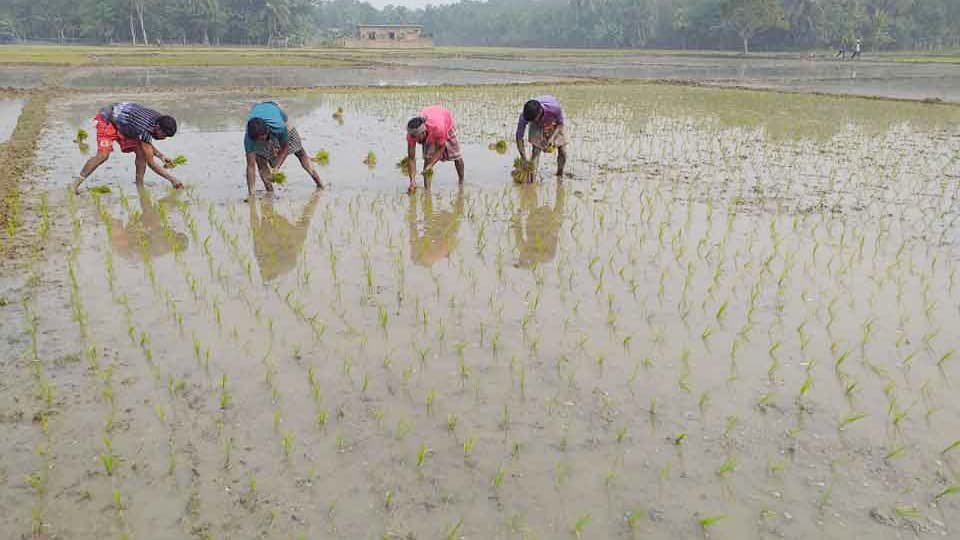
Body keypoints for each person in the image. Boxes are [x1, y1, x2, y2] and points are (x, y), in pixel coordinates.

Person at [73, 102, 183, 193]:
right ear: (158, 127)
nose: (163, 138)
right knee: (103, 155)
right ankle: (74, 185)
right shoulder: (144, 128)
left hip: (125, 124)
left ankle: (139, 185)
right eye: (163, 135)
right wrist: (172, 179)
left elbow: (146, 145)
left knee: (141, 152)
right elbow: (151, 162)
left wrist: (162, 156)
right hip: (107, 119)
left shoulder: (158, 120)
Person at [244, 101, 325, 198]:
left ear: (268, 131)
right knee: (260, 159)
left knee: (299, 151)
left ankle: (319, 183)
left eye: (262, 139)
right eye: (257, 141)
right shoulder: (249, 138)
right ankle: (270, 192)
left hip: (278, 115)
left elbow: (285, 147)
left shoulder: (279, 126)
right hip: (259, 119)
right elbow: (250, 166)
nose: (260, 142)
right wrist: (251, 195)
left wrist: (277, 167)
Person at [249, 191, 321, 281]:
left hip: (285, 236)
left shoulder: (286, 262)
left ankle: (318, 192)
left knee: (304, 220)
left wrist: (252, 205)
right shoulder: (263, 255)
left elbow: (255, 226)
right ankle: (318, 192)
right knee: (267, 213)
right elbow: (255, 227)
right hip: (277, 233)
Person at [405, 105, 465, 193]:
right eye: (414, 138)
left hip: (445, 121)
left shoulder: (438, 128)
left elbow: (441, 148)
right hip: (432, 118)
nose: (416, 141)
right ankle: (427, 190)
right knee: (427, 159)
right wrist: (412, 181)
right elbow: (411, 158)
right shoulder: (411, 135)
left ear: (423, 132)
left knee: (456, 156)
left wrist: (431, 165)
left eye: (417, 138)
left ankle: (461, 181)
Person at [512, 184, 566, 268]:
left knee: (529, 193)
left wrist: (517, 218)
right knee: (557, 215)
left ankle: (529, 184)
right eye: (522, 259)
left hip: (537, 219)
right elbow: (554, 232)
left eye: (521, 258)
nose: (522, 256)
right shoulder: (546, 257)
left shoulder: (524, 250)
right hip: (543, 221)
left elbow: (517, 230)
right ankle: (559, 185)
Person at [407, 187, 464, 266]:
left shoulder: (444, 244)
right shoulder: (445, 244)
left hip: (440, 239)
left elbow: (413, 229)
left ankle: (427, 190)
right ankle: (461, 185)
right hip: (440, 239)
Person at [516, 96, 567, 182]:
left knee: (563, 151)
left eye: (533, 120)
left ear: (540, 112)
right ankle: (531, 180)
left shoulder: (554, 108)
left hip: (552, 120)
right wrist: (523, 158)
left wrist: (552, 138)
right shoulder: (525, 116)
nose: (531, 121)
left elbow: (560, 124)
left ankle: (560, 174)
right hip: (537, 126)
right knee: (536, 151)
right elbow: (519, 137)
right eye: (530, 121)